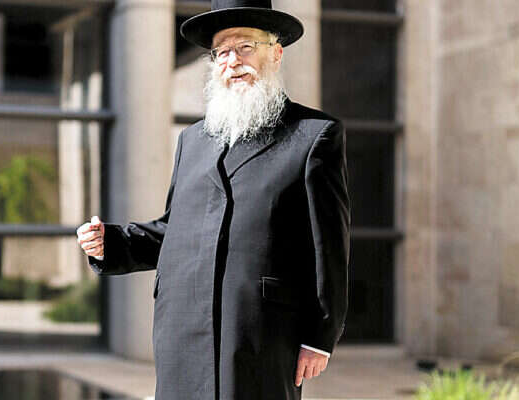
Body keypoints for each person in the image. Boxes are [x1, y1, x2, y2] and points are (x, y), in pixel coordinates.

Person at [76, 1, 351, 399]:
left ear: (276, 53)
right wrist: (113, 242)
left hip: (259, 333)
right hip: (181, 332)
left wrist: (320, 335)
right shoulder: (192, 140)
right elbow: (174, 230)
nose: (232, 61)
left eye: (245, 47)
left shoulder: (313, 135)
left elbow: (330, 247)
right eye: (221, 52)